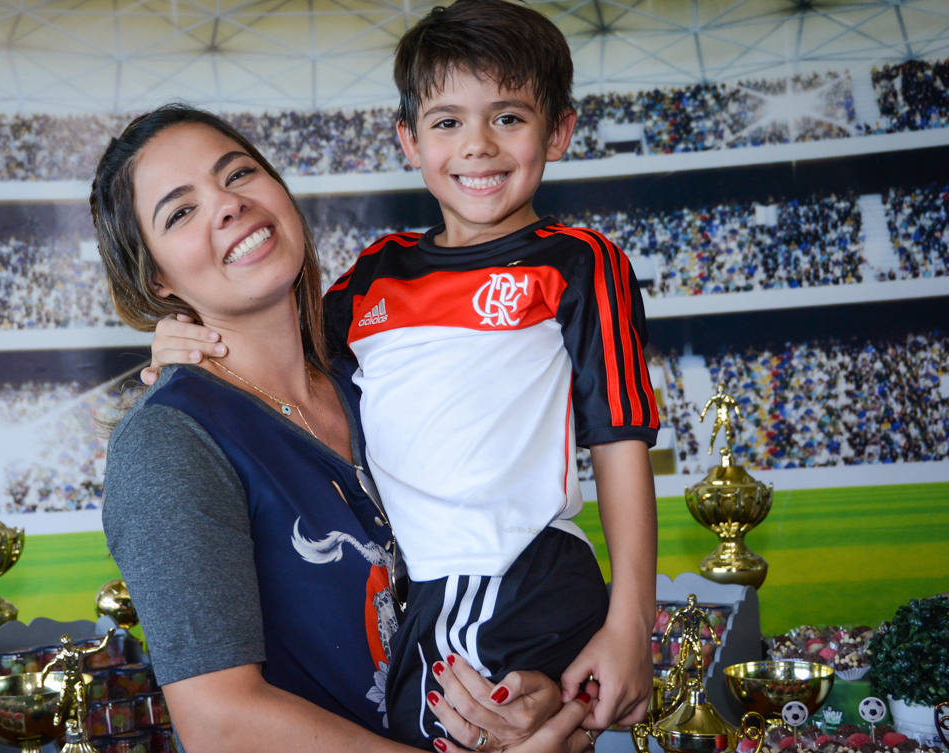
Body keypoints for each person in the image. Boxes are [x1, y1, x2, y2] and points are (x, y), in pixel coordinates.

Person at [143, 0, 660, 748]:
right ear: (409, 141)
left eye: (508, 117)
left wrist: (631, 621)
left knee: (444, 729)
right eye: (447, 122)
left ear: (559, 130)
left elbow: (620, 441)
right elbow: (278, 353)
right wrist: (181, 340)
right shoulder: (374, 278)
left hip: (504, 567)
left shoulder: (580, 262)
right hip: (433, 586)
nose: (478, 145)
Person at [94, 104, 601, 753]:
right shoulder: (170, 439)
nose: (227, 205)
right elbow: (219, 721)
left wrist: (530, 697)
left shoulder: (379, 376)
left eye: (238, 173)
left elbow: (485, 565)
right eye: (181, 211)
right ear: (157, 279)